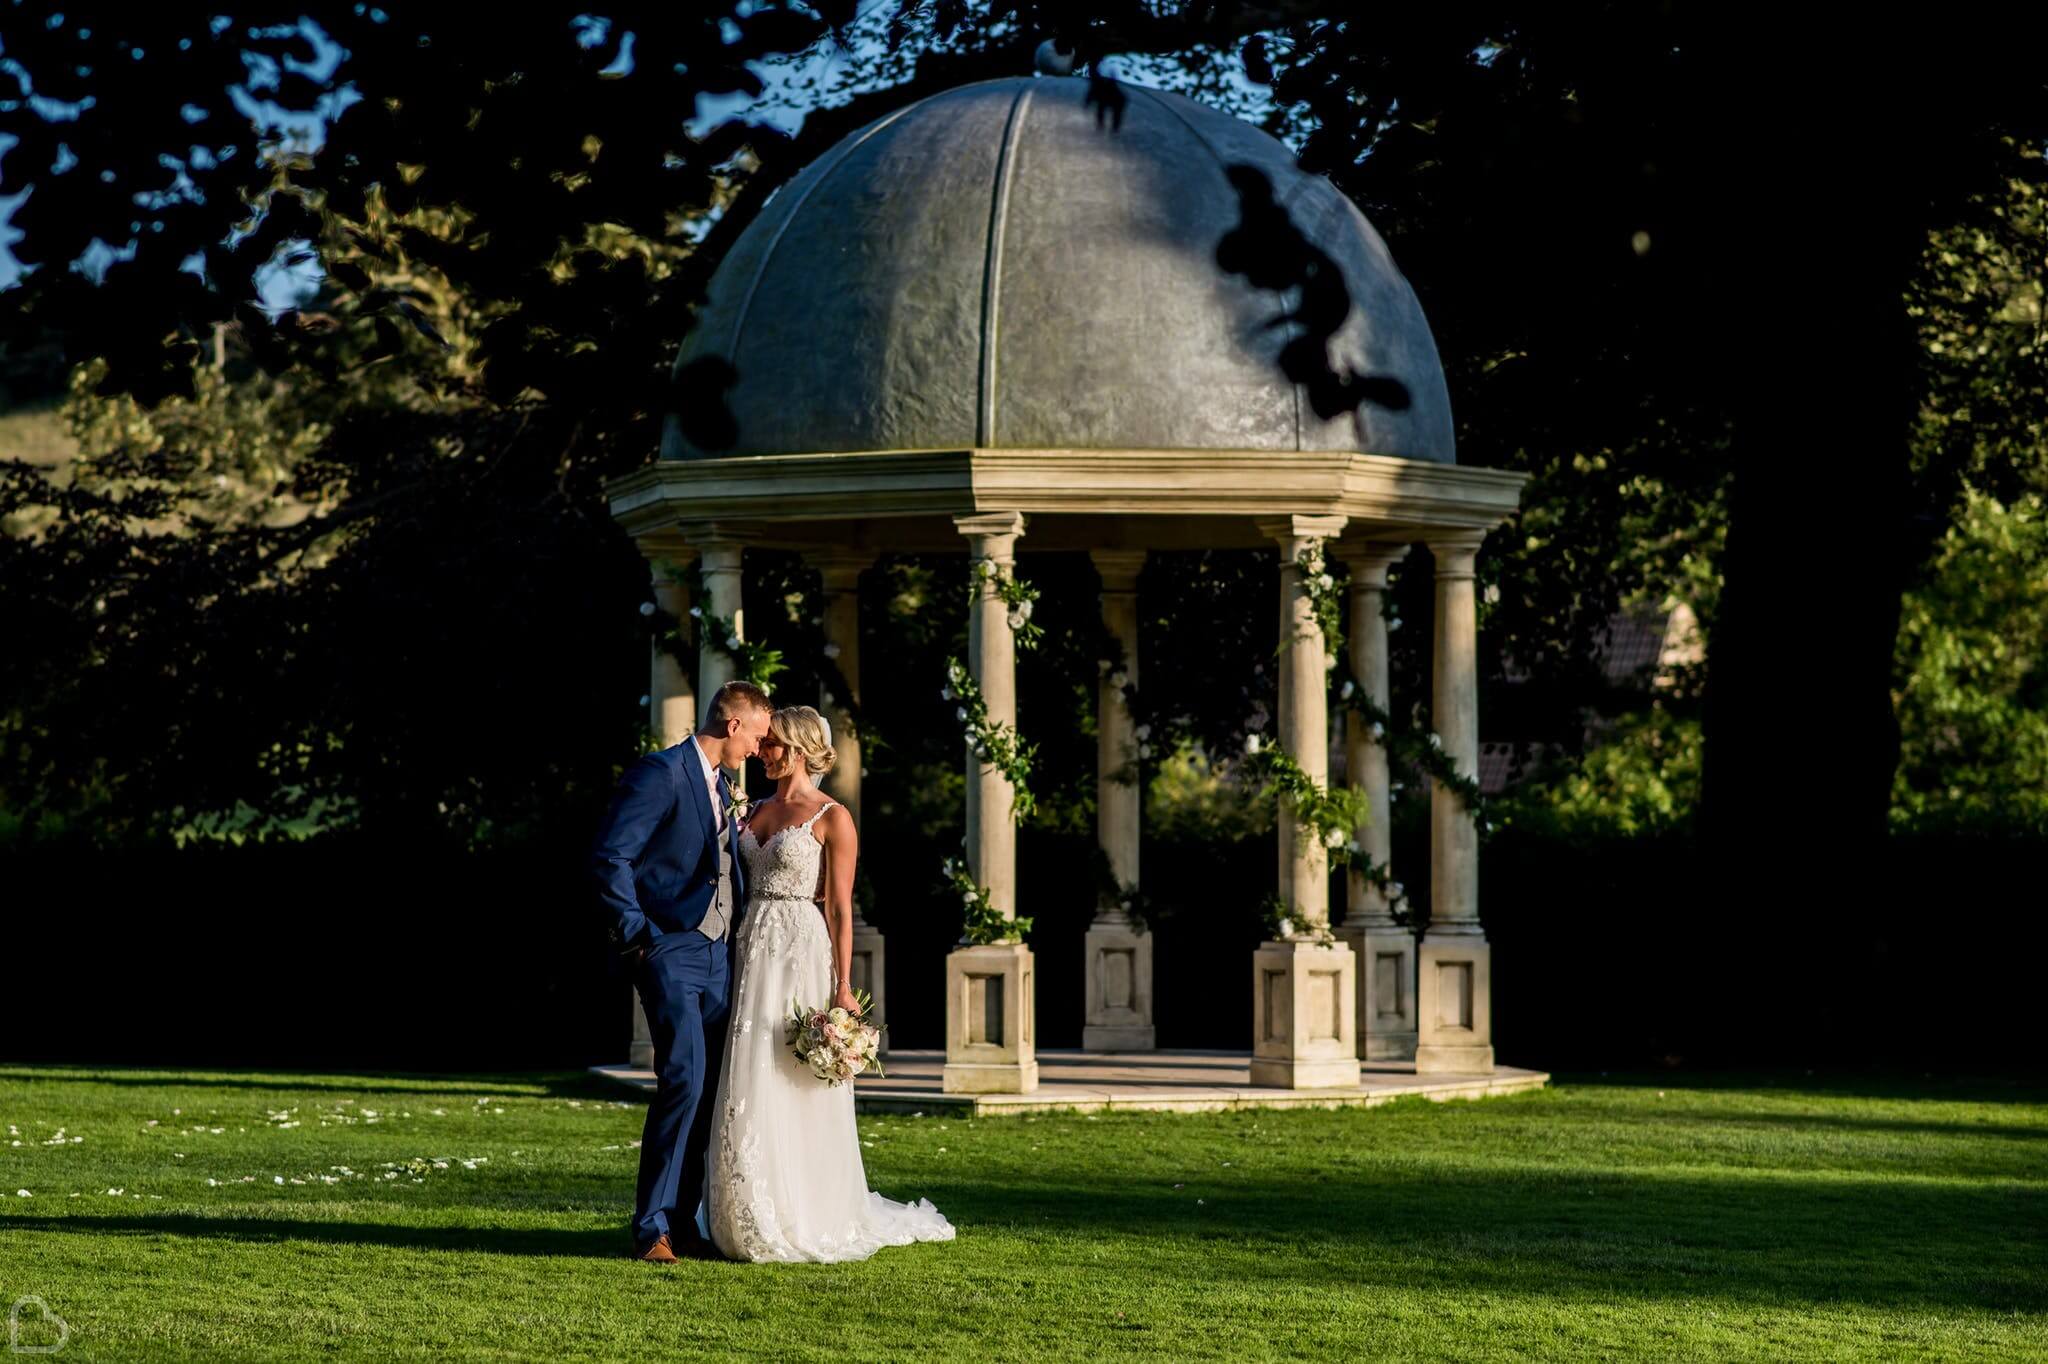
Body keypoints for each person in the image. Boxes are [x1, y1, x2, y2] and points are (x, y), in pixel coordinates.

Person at [703, 704, 955, 1262]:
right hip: (750, 944)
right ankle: (741, 1205)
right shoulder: (751, 810)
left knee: (793, 1072)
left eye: (771, 745)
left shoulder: (832, 817)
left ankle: (804, 1207)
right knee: (746, 1069)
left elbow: (839, 908)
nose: (761, 751)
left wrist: (844, 986)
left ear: (793, 748)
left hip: (800, 947)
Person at [590, 679, 773, 1263]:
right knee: (683, 1081)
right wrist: (640, 937)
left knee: (711, 1088)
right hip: (670, 949)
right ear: (734, 724)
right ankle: (651, 1230)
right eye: (759, 736)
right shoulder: (662, 773)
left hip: (721, 956)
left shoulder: (724, 785)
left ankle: (684, 1224)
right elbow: (611, 854)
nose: (759, 750)